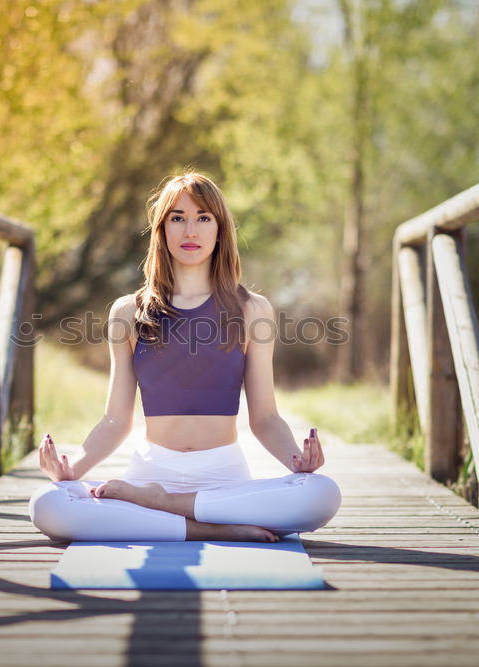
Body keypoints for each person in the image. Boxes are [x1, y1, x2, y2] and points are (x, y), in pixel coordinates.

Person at [29, 172, 341, 543]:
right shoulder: (128, 312)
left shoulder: (252, 310)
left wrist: (296, 461)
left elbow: (266, 417)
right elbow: (115, 419)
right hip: (149, 473)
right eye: (177, 218)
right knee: (47, 504)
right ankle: (204, 527)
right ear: (161, 230)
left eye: (203, 218)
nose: (189, 230)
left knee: (322, 493)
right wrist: (72, 468)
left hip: (222, 478)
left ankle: (166, 509)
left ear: (220, 230)